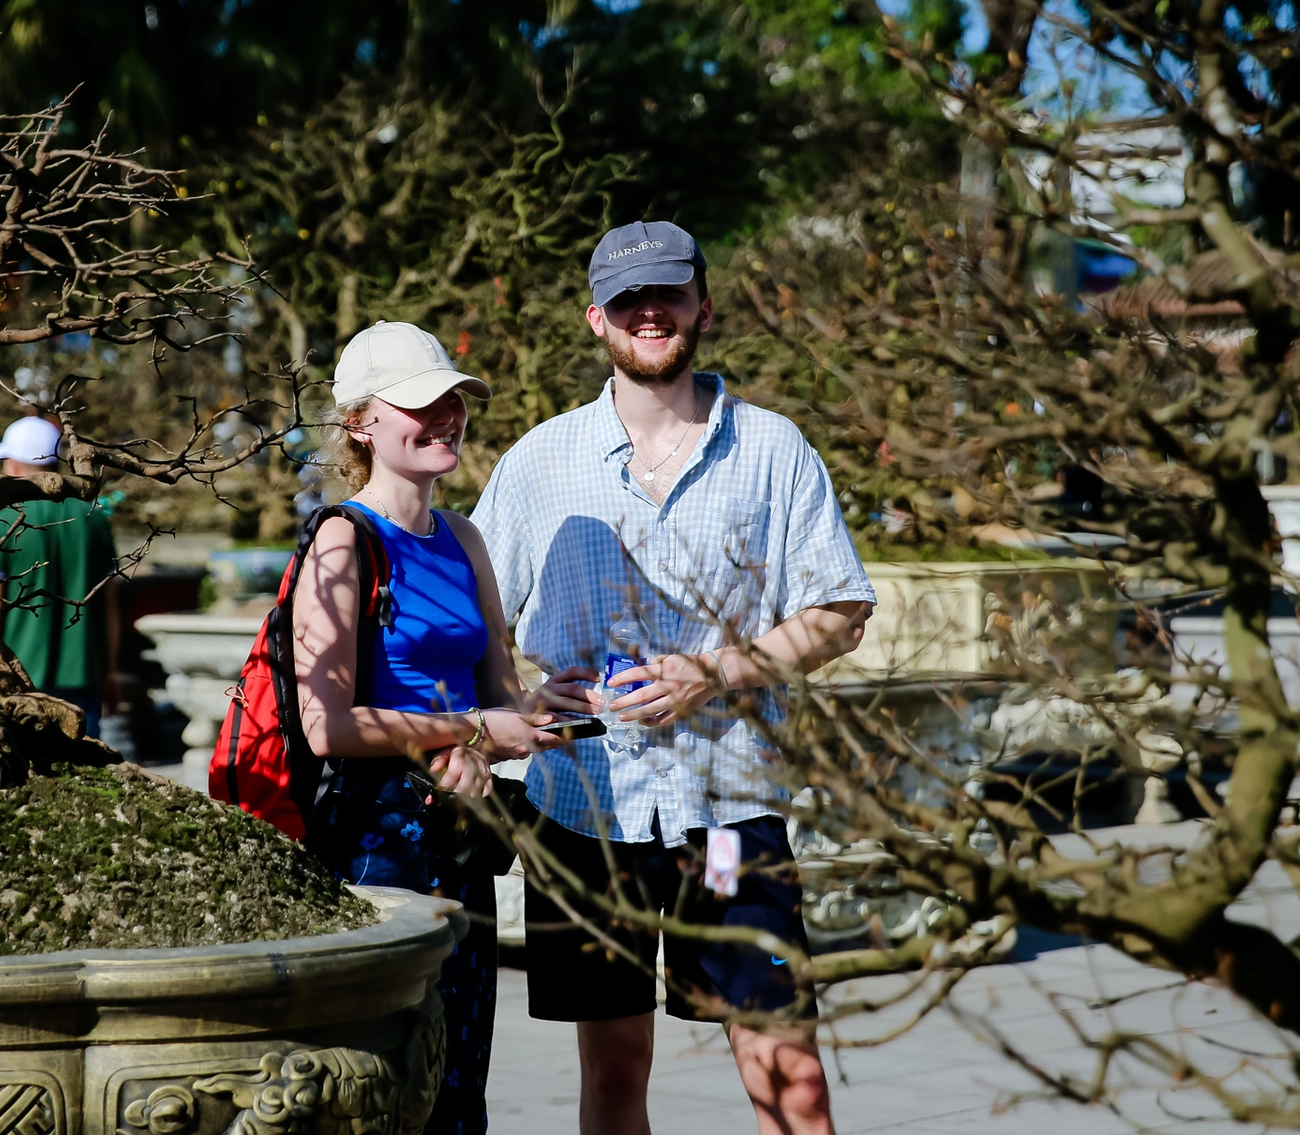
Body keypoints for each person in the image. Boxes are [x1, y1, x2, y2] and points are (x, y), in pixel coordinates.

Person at [472, 221, 876, 1135]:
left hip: (728, 808)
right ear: (596, 319)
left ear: (702, 303)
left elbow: (840, 611)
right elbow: (474, 620)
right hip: (583, 812)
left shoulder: (772, 450)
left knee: (790, 1074)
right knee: (615, 1073)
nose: (649, 313)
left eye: (667, 294)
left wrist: (716, 670)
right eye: (627, 300)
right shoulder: (538, 461)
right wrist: (518, 700)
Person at [297, 321, 590, 1135]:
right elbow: (327, 726)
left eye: (454, 399)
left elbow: (499, 693)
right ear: (360, 422)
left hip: (460, 836)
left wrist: (544, 708)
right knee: (386, 1084)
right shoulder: (339, 542)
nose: (447, 416)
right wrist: (463, 730)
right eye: (421, 404)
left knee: (460, 1082)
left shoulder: (464, 538)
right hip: (376, 847)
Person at [0, 416, 120, 738]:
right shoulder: (95, 517)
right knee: (87, 773)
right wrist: (109, 671)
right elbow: (109, 605)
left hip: (20, 674)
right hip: (85, 671)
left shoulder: (2, 521)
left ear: (13, 465)